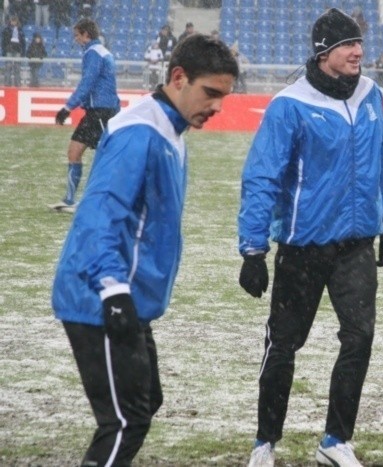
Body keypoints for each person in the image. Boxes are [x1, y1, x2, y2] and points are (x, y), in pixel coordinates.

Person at [51, 34, 238, 467]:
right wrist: (113, 290)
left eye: (224, 97)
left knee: (145, 401)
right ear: (178, 78)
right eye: (210, 93)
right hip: (98, 296)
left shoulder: (170, 129)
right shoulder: (141, 131)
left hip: (124, 295)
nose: (217, 107)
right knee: (125, 420)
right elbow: (100, 215)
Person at [238, 8, 383, 467]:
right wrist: (253, 250)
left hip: (357, 246)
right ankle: (264, 443)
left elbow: (379, 161)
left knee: (359, 338)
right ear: (323, 53)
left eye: (359, 44)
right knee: (284, 345)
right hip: (302, 247)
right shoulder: (289, 104)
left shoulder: (372, 95)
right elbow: (262, 178)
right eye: (348, 45)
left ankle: (335, 441)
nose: (359, 52)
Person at [48, 18, 120, 213]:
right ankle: (71, 200)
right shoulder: (101, 51)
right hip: (100, 110)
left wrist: (67, 108)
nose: (76, 39)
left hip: (101, 111)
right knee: (77, 151)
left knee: (105, 157)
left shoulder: (93, 53)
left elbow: (87, 83)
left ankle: (99, 201)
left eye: (77, 35)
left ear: (86, 35)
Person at [1, 15, 24, 86]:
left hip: (17, 51)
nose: (13, 22)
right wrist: (5, 50)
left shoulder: (20, 30)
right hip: (9, 50)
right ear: (10, 21)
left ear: (17, 22)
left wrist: (22, 51)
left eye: (15, 21)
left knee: (17, 68)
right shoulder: (6, 30)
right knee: (8, 67)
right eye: (12, 21)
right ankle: (7, 83)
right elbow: (4, 41)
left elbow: (23, 42)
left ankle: (17, 83)